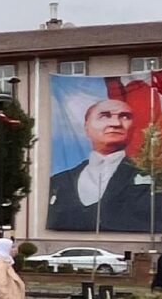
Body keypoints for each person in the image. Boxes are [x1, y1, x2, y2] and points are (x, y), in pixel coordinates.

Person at [43, 93, 154, 232]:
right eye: (105, 116)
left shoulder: (151, 178)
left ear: (133, 129)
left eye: (125, 117)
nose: (116, 124)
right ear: (86, 127)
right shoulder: (59, 182)